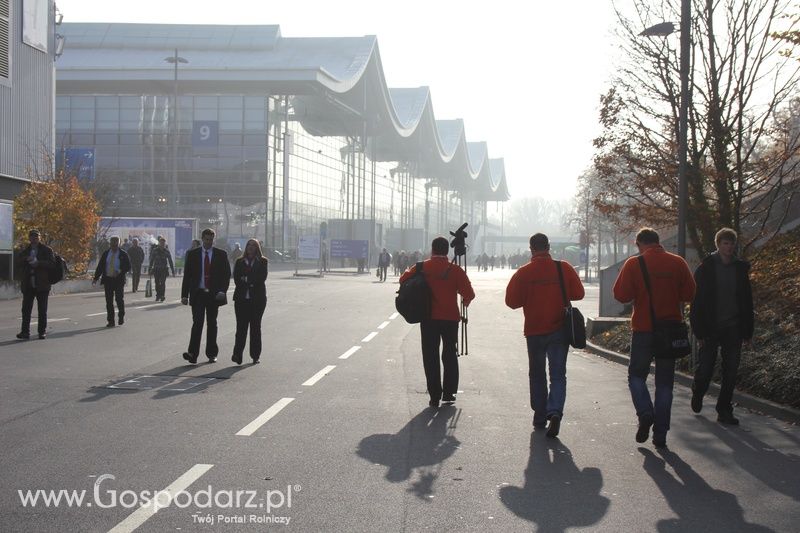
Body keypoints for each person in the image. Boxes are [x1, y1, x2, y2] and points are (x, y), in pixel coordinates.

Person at [613, 228, 696, 448]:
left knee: (636, 376)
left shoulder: (634, 264)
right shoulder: (677, 263)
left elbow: (621, 294)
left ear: (639, 243)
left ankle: (645, 412)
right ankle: (661, 434)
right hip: (669, 331)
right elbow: (689, 294)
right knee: (665, 384)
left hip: (643, 330)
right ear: (658, 242)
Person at [505, 233, 585, 438]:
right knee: (558, 374)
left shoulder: (523, 272)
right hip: (559, 330)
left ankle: (540, 415)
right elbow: (578, 294)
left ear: (531, 249)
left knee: (537, 374)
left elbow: (511, 302)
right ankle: (555, 410)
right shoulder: (563, 268)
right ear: (548, 247)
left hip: (534, 331)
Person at [399, 236, 475, 408]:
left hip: (428, 318)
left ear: (432, 250)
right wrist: (465, 301)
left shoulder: (421, 267)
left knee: (430, 355)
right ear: (447, 251)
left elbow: (403, 280)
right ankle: (449, 393)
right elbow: (469, 294)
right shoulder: (455, 270)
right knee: (449, 354)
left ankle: (434, 395)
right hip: (450, 319)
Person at [689, 228, 754, 425]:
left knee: (731, 370)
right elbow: (697, 301)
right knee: (706, 367)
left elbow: (747, 301)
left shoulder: (740, 269)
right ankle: (698, 390)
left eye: (731, 243)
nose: (729, 247)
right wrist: (698, 330)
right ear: (718, 244)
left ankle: (724, 409)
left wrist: (747, 331)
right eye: (725, 243)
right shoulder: (706, 267)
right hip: (710, 327)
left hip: (733, 326)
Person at [181, 228, 231, 364]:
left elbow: (226, 275)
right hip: (198, 294)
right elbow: (188, 276)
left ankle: (211, 353)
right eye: (206, 239)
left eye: (211, 240)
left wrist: (223, 291)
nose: (209, 242)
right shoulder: (192, 254)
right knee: (197, 323)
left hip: (214, 295)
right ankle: (192, 354)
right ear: (202, 239)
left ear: (213, 240)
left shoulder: (221, 254)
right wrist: (184, 295)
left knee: (212, 323)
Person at [231, 239, 269, 365]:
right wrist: (249, 280)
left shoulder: (263, 262)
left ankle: (255, 355)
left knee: (255, 328)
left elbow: (261, 278)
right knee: (241, 328)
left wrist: (246, 279)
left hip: (257, 300)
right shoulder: (239, 261)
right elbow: (237, 278)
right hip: (241, 299)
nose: (251, 248)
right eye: (249, 245)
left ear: (257, 248)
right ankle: (237, 355)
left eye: (253, 246)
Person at [16, 229, 55, 340]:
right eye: (32, 237)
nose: (34, 239)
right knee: (26, 309)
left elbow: (52, 264)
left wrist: (39, 263)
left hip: (42, 285)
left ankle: (42, 332)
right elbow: (18, 262)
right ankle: (25, 332)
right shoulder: (26, 250)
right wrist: (26, 259)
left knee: (42, 310)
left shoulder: (47, 250)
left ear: (40, 238)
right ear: (29, 238)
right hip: (28, 284)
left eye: (37, 237)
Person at [93, 236, 131, 328]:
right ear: (110, 244)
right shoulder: (106, 254)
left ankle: (121, 316)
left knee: (119, 299)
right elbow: (101, 266)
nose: (114, 247)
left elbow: (128, 266)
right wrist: (95, 278)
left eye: (116, 245)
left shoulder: (123, 254)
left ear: (118, 244)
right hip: (108, 280)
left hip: (118, 280)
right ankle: (111, 321)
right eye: (112, 244)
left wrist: (120, 270)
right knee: (109, 301)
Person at [148, 236, 175, 302]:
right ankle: (158, 295)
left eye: (163, 243)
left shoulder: (166, 251)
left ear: (164, 243)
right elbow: (151, 260)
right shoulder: (155, 250)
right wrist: (149, 269)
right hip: (156, 269)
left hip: (164, 270)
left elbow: (170, 261)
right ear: (159, 243)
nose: (162, 244)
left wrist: (173, 270)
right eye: (161, 243)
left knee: (162, 283)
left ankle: (162, 295)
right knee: (157, 283)